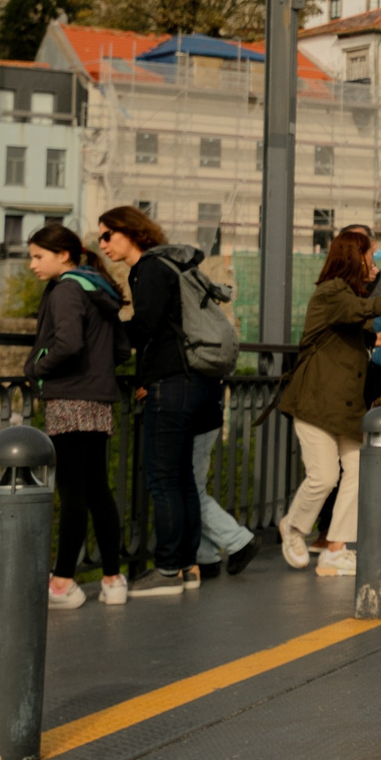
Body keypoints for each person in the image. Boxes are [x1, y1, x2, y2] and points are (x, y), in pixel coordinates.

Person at [98, 206, 222, 596]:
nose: (102, 244)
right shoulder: (169, 265)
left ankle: (167, 568)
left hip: (172, 383)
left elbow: (145, 328)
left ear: (132, 232)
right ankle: (187, 565)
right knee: (182, 476)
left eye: (107, 235)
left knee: (162, 477)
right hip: (197, 380)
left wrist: (104, 336)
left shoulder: (150, 268)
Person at [276, 228, 381, 577]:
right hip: (316, 403)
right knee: (323, 477)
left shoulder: (346, 295)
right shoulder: (331, 292)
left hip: (346, 407)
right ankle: (293, 527)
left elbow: (361, 323)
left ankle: (336, 548)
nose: (374, 262)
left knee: (356, 472)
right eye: (370, 255)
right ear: (356, 257)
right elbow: (361, 309)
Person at [27, 225, 131, 608]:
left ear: (64, 256)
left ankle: (62, 582)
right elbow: (121, 350)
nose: (32, 264)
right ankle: (113, 579)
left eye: (38, 256)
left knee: (72, 492)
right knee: (97, 490)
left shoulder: (66, 289)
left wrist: (38, 366)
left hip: (68, 397)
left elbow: (68, 343)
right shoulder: (97, 288)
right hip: (98, 398)